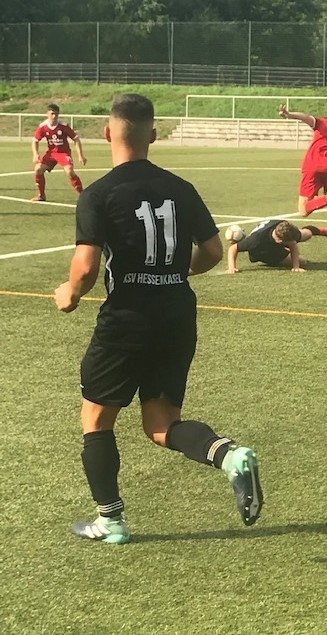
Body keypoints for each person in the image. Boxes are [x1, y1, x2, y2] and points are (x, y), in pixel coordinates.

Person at [53, 93, 263, 544]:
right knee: (161, 423)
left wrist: (69, 293)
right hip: (177, 314)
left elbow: (85, 269)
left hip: (127, 318)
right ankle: (229, 455)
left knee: (96, 419)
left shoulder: (98, 194)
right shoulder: (181, 188)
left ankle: (110, 521)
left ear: (107, 133)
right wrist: (174, 272)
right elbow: (212, 251)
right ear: (152, 134)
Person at [278, 103, 327, 256]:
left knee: (303, 210)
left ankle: (326, 199)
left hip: (313, 167)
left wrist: (289, 114)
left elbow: (306, 118)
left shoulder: (324, 123)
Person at [226, 219, 327, 273]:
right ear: (280, 241)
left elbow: (292, 243)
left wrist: (296, 267)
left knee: (306, 235)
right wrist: (232, 267)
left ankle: (317, 230)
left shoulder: (283, 227)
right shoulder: (255, 242)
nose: (292, 243)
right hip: (264, 252)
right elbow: (233, 248)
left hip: (279, 237)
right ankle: (286, 252)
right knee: (302, 261)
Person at [31, 103, 87, 202]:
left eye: (56, 114)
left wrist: (80, 155)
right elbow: (35, 141)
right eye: (52, 114)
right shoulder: (43, 126)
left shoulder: (63, 126)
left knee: (69, 171)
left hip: (63, 153)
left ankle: (83, 196)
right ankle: (41, 195)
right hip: (51, 154)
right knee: (38, 169)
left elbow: (76, 139)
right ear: (47, 114)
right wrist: (35, 154)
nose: (54, 116)